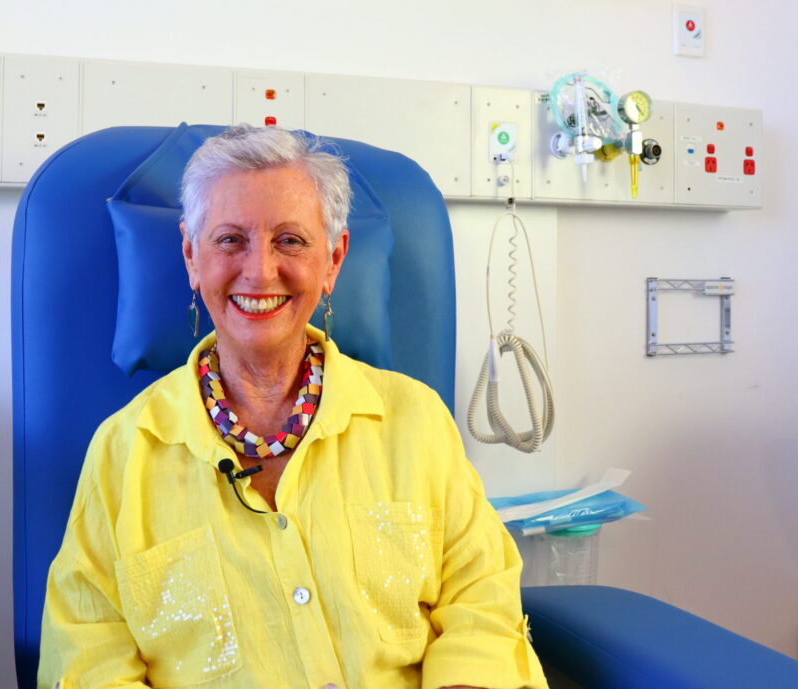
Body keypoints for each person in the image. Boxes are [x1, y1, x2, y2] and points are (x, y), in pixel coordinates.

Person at [37, 125, 548, 689]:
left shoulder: (416, 419)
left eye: (290, 241)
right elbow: (88, 655)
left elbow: (482, 603)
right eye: (230, 240)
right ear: (191, 256)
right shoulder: (124, 450)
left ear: (333, 259)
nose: (260, 271)